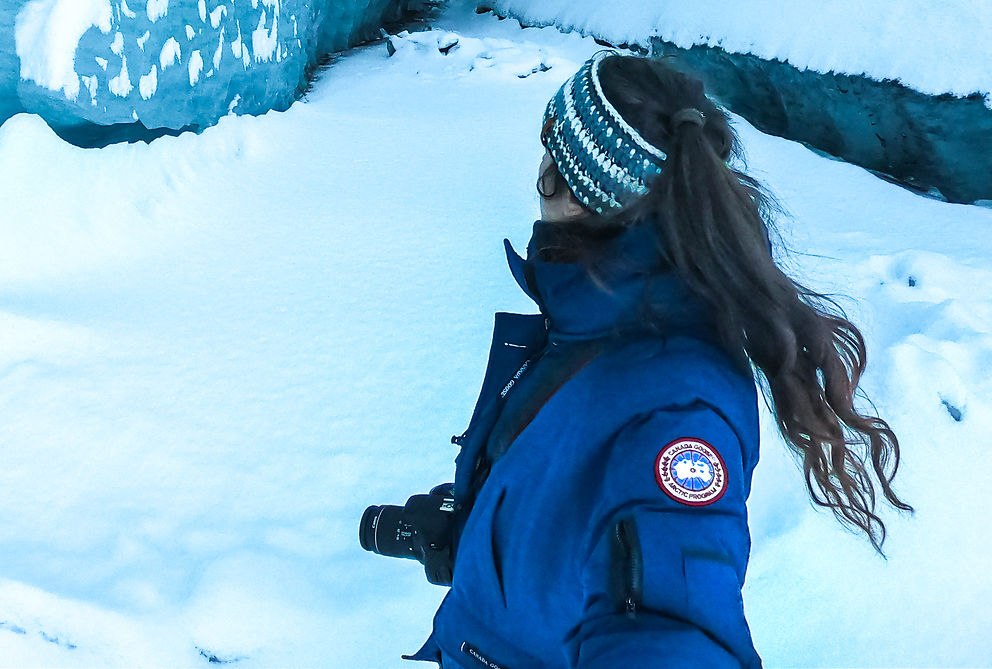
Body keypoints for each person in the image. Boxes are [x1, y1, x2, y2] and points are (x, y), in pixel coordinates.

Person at [368, 49, 911, 669]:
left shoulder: (679, 408)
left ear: (583, 191)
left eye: (553, 153)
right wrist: (473, 535)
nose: (539, 168)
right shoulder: (596, 313)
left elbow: (673, 622)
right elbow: (572, 477)